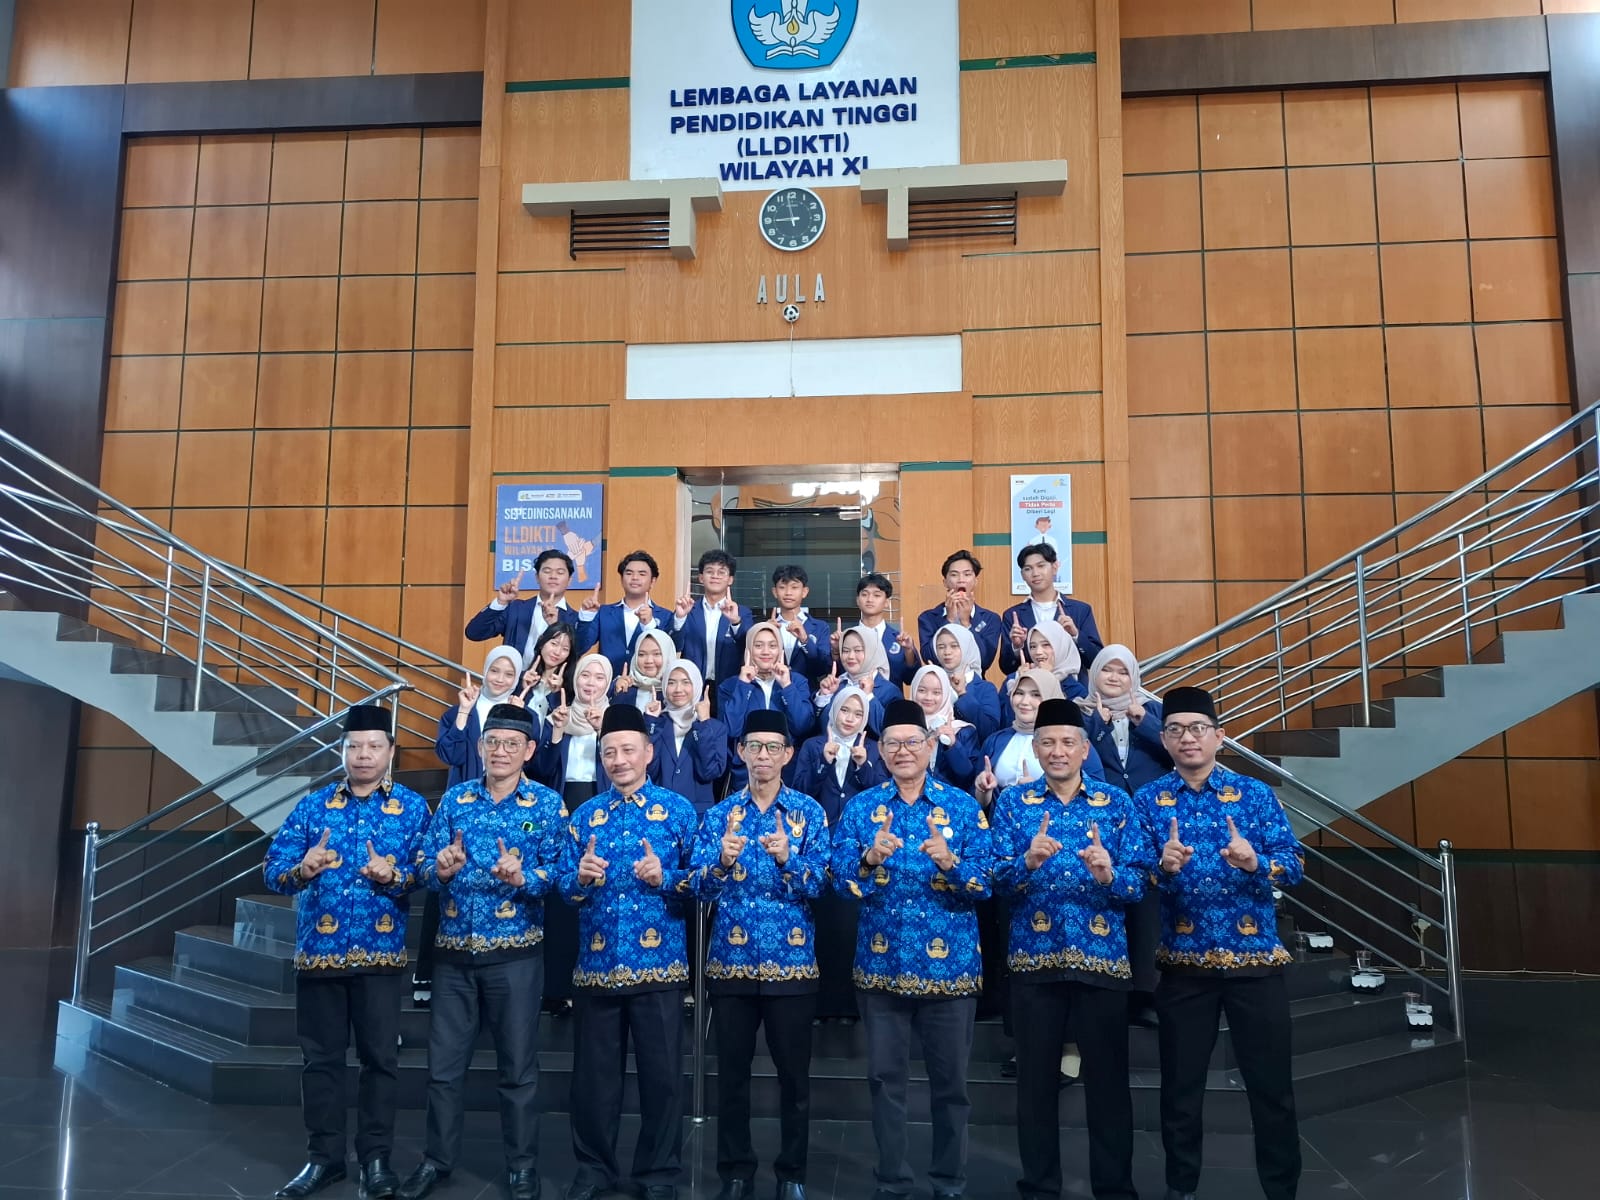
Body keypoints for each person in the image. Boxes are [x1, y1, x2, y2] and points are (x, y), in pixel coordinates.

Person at [1138, 687, 1305, 1200]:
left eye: (1197, 729)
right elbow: (1133, 878)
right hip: (1183, 967)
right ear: (1164, 740)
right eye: (1175, 730)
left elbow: (1294, 864)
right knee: (1180, 1090)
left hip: (1256, 965)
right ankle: (1181, 1188)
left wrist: (1257, 862)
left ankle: (1281, 1190)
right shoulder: (1148, 801)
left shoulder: (1254, 794)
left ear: (1219, 736)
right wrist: (1161, 867)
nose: (1187, 738)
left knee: (1271, 1089)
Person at [399, 705, 571, 1200]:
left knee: (517, 1070)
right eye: (492, 741)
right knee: (443, 1070)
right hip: (454, 955)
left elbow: (560, 873)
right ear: (479, 746)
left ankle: (522, 1168)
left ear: (529, 750)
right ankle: (436, 1161)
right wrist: (440, 870)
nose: (500, 751)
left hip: (516, 957)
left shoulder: (546, 805)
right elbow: (423, 864)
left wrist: (524, 878)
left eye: (512, 744)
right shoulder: (455, 799)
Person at [263, 705, 428, 1200]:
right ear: (342, 751)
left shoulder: (412, 807)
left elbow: (428, 873)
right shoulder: (313, 806)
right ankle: (324, 1159)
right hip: (320, 956)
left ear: (391, 751)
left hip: (380, 958)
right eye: (354, 746)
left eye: (374, 746)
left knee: (380, 1062)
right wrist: (302, 869)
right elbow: (272, 869)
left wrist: (394, 875)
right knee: (321, 1063)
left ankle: (376, 1161)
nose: (363, 755)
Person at [831, 698, 992, 1200]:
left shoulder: (961, 807)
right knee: (885, 1082)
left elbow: (986, 884)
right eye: (893, 743)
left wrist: (951, 864)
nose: (903, 751)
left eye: (912, 742)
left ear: (929, 746)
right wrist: (867, 859)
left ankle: (949, 1182)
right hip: (882, 967)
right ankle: (892, 1181)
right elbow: (839, 883)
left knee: (952, 1087)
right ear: (880, 751)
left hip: (951, 973)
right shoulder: (861, 809)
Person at [991, 698, 1149, 1200]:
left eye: (1066, 742)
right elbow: (994, 880)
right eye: (1047, 743)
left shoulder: (1116, 803)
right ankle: (1039, 1187)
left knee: (1109, 1086)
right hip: (1033, 964)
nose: (1057, 751)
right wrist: (1026, 863)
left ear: (1084, 749)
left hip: (1102, 963)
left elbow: (1140, 883)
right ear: (1035, 750)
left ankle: (1115, 1189)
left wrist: (1110, 875)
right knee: (1035, 1088)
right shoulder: (1013, 804)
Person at [558, 705, 699, 1200]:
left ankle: (658, 1174)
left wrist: (668, 877)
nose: (619, 760)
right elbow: (562, 886)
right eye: (610, 752)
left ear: (649, 753)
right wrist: (579, 879)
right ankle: (593, 1171)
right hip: (597, 966)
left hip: (659, 967)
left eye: (627, 751)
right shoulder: (585, 816)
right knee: (593, 1082)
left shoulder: (679, 812)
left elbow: (701, 881)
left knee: (663, 1079)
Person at [692, 711, 831, 1200]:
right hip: (730, 964)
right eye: (755, 746)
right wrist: (721, 862)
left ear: (788, 754)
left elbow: (823, 885)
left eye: (774, 747)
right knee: (731, 1077)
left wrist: (789, 858)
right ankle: (735, 1172)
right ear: (741, 752)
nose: (764, 756)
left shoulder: (809, 813)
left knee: (794, 1078)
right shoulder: (719, 816)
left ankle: (792, 1174)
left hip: (791, 966)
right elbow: (698, 887)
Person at [1081, 645, 1171, 1028]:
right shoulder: (1082, 712)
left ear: (1133, 676)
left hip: (1149, 822)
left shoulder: (1153, 711)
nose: (1114, 678)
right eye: (1107, 670)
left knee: (1146, 906)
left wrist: (1142, 721)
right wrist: (1097, 725)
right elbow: (1076, 757)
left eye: (1122, 672)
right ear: (1095, 674)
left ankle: (1146, 993)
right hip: (1103, 823)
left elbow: (1175, 753)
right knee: (1106, 900)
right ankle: (1110, 988)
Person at [793, 686, 885, 1022]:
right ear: (833, 711)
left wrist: (863, 767)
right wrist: (824, 762)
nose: (850, 719)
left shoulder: (872, 748)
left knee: (849, 928)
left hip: (857, 850)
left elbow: (881, 797)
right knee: (821, 925)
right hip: (819, 845)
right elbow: (799, 792)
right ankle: (819, 1005)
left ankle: (848, 1006)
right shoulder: (812, 745)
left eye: (858, 714)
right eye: (845, 710)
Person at [719, 620, 815, 788]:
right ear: (748, 650)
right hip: (746, 775)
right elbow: (731, 729)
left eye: (772, 646)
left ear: (780, 650)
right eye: (758, 646)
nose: (766, 652)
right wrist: (743, 685)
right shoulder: (731, 685)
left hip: (788, 774)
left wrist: (786, 686)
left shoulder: (796, 682)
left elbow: (802, 726)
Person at [1000, 544, 1103, 678]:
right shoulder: (1013, 615)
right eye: (1028, 569)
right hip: (1032, 687)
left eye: (1041, 566)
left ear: (1054, 567)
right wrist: (1016, 647)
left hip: (1071, 687)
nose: (1035, 573)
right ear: (1022, 575)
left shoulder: (1080, 610)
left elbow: (1096, 660)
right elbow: (1006, 667)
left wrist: (1076, 634)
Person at [465, 549, 581, 662]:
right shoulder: (516, 609)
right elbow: (474, 633)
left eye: (560, 572)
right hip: (516, 675)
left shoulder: (576, 620)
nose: (553, 576)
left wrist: (555, 626)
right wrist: (501, 602)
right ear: (537, 577)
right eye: (547, 571)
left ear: (569, 580)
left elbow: (576, 653)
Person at [436, 647, 526, 791]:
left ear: (516, 679)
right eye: (494, 671)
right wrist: (464, 711)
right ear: (485, 670)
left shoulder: (525, 715)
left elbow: (532, 763)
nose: (500, 679)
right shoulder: (456, 712)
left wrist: (518, 718)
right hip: (465, 796)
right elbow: (450, 756)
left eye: (509, 674)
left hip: (509, 796)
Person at [647, 659, 729, 813]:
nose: (678, 689)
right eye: (671, 683)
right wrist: (651, 721)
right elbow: (648, 771)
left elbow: (709, 772)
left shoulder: (715, 728)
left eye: (686, 682)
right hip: (659, 812)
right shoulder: (656, 724)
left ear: (697, 685)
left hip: (697, 814)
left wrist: (703, 724)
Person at [532, 653, 612, 806]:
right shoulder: (558, 717)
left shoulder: (615, 721)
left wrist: (600, 730)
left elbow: (619, 765)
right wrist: (558, 730)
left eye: (599, 678)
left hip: (602, 799)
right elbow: (542, 770)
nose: (591, 683)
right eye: (585, 675)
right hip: (561, 798)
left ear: (608, 682)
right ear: (576, 678)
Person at [578, 550, 675, 676]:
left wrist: (649, 625)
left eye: (642, 574)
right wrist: (586, 616)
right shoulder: (603, 612)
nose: (635, 578)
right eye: (629, 573)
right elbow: (580, 646)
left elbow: (669, 653)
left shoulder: (665, 616)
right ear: (621, 579)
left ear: (652, 581)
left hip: (647, 684)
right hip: (610, 683)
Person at [670, 548, 751, 689]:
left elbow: (749, 646)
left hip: (730, 686)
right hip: (693, 686)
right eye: (709, 571)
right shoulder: (688, 610)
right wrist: (680, 618)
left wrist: (735, 622)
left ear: (730, 579)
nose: (715, 576)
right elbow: (673, 646)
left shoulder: (742, 613)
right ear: (701, 578)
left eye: (721, 572)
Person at [916, 551, 1003, 673]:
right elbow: (928, 658)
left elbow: (985, 661)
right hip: (941, 681)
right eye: (954, 575)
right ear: (945, 582)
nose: (961, 580)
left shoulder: (990, 618)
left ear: (975, 581)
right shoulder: (928, 617)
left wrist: (966, 623)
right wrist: (949, 620)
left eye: (967, 574)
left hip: (974, 682)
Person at [812, 623, 901, 735]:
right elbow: (815, 729)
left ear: (872, 652)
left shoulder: (890, 691)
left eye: (858, 650)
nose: (850, 656)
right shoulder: (836, 684)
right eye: (845, 651)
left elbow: (890, 733)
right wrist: (823, 697)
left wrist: (869, 697)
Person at [999, 621, 1086, 726]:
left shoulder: (1076, 690)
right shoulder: (1014, 679)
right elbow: (1004, 724)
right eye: (1032, 646)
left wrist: (1048, 681)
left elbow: (1068, 728)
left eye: (1046, 645)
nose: (1038, 652)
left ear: (1061, 646)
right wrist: (1018, 686)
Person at [907, 665, 979, 792]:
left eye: (936, 692)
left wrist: (953, 746)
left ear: (946, 694)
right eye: (922, 690)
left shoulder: (962, 731)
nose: (928, 697)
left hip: (950, 800)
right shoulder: (902, 730)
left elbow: (968, 778)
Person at [929, 623, 1002, 741]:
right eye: (941, 647)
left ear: (967, 647)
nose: (947, 652)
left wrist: (962, 693)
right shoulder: (932, 683)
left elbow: (990, 732)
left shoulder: (985, 688)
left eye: (954, 646)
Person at [844, 572, 915, 686]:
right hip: (855, 696)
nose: (869, 599)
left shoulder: (900, 639)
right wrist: (835, 651)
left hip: (890, 696)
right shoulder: (846, 638)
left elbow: (910, 679)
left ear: (886, 602)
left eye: (876, 595)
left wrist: (909, 651)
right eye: (864, 594)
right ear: (857, 600)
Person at [769, 564, 832, 686]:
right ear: (775, 592)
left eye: (794, 587)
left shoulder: (820, 627)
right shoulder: (766, 628)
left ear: (804, 592)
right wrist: (765, 632)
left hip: (807, 692)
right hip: (773, 692)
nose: (788, 593)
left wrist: (805, 640)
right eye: (782, 587)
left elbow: (823, 667)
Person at [519, 622, 578, 724]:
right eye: (554, 644)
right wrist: (524, 688)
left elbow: (559, 723)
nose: (557, 652)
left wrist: (557, 693)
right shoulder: (521, 678)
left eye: (565, 649)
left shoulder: (571, 689)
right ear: (542, 642)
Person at [614, 627, 679, 712]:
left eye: (656, 654)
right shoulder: (624, 686)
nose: (649, 661)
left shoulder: (678, 691)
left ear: (668, 656)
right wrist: (616, 693)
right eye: (641, 654)